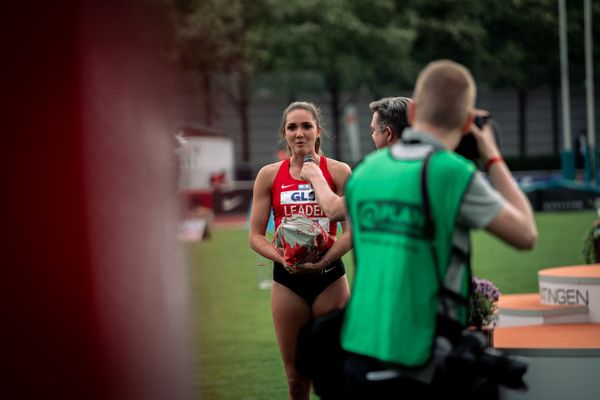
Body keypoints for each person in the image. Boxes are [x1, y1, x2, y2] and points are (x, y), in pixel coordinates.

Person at [340, 59, 537, 398]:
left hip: (357, 352)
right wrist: (491, 156)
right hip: (419, 361)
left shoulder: (365, 172)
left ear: (413, 112)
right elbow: (525, 234)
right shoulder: (452, 172)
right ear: (464, 123)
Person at [249, 101, 352, 399]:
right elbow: (255, 236)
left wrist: (325, 261)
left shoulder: (339, 171)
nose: (299, 133)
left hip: (330, 279)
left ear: (319, 131)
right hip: (288, 282)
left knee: (335, 376)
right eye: (292, 127)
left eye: (306, 126)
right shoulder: (269, 175)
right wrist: (281, 257)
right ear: (284, 133)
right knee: (295, 379)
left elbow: (353, 232)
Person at [300, 97, 412, 221]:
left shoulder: (381, 174)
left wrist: (315, 176)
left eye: (373, 130)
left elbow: (333, 211)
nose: (372, 136)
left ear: (388, 133)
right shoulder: (429, 166)